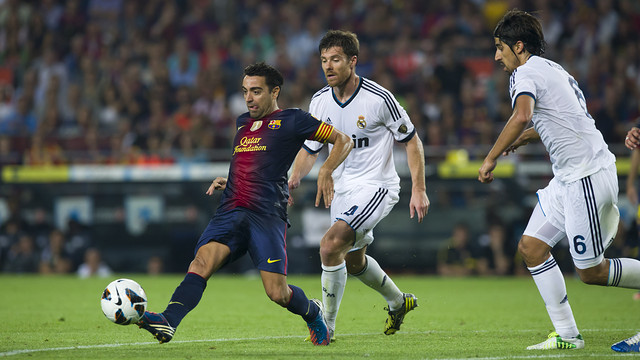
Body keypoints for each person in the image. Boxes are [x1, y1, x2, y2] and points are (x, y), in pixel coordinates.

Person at [136, 62, 352, 346]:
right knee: (201, 262)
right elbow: (249, 162)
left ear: (275, 92)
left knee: (277, 292)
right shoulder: (242, 123)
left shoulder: (294, 120)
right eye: (245, 91)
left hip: (265, 215)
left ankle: (312, 312)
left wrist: (326, 170)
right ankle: (168, 320)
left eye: (256, 91)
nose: (248, 98)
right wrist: (230, 180)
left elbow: (343, 140)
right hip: (231, 209)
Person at [478, 10, 640, 352]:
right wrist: (526, 138)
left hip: (586, 177)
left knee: (592, 272)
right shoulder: (554, 70)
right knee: (532, 247)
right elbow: (564, 119)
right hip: (568, 179)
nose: (496, 56)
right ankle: (567, 335)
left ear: (518, 46)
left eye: (500, 48)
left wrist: (492, 156)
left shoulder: (525, 73)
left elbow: (521, 114)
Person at [288, 30, 429, 341]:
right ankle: (397, 301)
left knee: (329, 245)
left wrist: (418, 188)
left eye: (335, 59)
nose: (328, 66)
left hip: (377, 186)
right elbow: (310, 150)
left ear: (352, 61)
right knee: (352, 261)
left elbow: (411, 141)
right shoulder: (320, 101)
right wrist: (292, 179)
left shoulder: (379, 98)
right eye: (324, 60)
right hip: (341, 189)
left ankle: (327, 326)